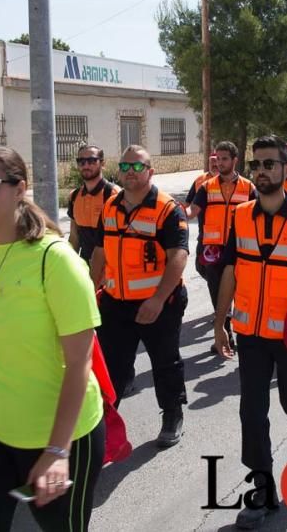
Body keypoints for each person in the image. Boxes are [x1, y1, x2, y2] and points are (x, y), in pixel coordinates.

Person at [0, 145, 105, 532]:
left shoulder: (55, 261)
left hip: (59, 434)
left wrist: (57, 450)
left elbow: (79, 364)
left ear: (19, 189)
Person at [212, 135, 287, 530]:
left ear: (286, 168)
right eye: (257, 164)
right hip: (251, 334)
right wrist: (219, 323)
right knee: (252, 411)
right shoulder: (240, 216)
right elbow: (229, 269)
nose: (262, 171)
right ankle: (263, 492)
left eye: (269, 164)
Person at [89, 145, 190, 447]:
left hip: (159, 305)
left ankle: (172, 414)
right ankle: (103, 426)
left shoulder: (167, 208)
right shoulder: (109, 206)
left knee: (165, 362)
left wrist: (158, 299)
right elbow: (99, 252)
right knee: (111, 368)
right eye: (125, 167)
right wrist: (91, 290)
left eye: (138, 167)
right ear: (118, 170)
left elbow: (178, 257)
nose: (130, 172)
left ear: (150, 171)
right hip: (115, 303)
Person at [189, 141, 256, 355]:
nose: (219, 163)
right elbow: (192, 211)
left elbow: (258, 216)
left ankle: (239, 332)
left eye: (224, 159)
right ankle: (225, 332)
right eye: (218, 159)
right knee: (218, 294)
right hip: (213, 251)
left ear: (235, 160)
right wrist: (174, 212)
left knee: (239, 293)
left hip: (240, 249)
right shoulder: (207, 187)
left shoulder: (248, 187)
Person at [67, 145, 119, 264]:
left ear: (102, 164)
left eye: (91, 161)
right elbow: (74, 237)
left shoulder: (114, 195)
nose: (86, 165)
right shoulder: (74, 197)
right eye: (81, 161)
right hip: (85, 267)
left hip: (110, 268)